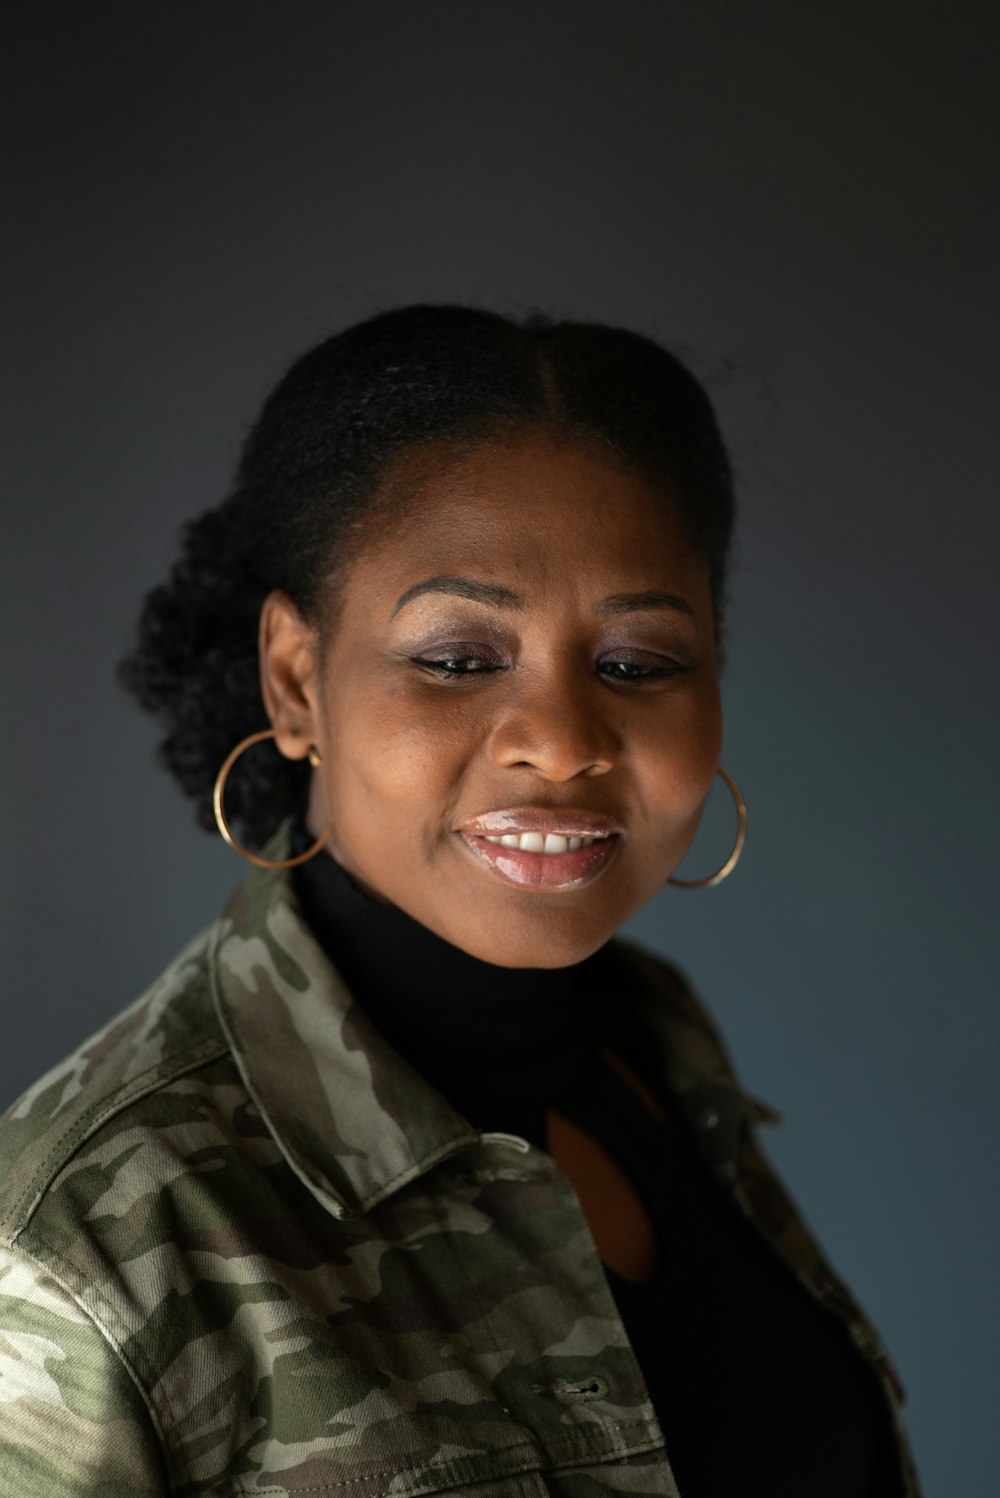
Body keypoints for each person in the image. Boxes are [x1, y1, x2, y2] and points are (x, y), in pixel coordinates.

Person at [0, 304, 920, 1496]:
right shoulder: (82, 1251)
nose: (560, 741)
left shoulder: (655, 1044)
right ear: (295, 681)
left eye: (637, 664)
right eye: (456, 657)